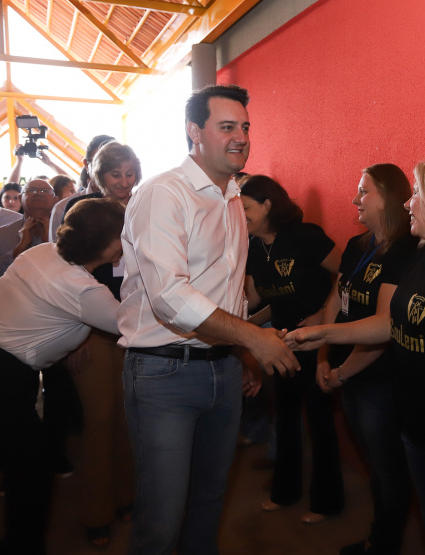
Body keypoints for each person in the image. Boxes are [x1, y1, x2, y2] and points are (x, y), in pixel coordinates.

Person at [287, 157, 425, 555]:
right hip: (415, 427)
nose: (409, 204)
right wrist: (324, 333)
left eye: (419, 194)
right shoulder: (424, 257)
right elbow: (390, 325)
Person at [117, 84, 299, 555]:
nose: (240, 136)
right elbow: (171, 299)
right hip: (163, 372)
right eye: (227, 127)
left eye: (245, 127)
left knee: (208, 502)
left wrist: (241, 354)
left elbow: (230, 289)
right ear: (194, 132)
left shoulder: (233, 198)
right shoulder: (164, 193)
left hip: (223, 368)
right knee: (161, 515)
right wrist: (254, 339)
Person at [0, 198, 126, 555]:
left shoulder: (42, 251)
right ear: (108, 244)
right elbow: (136, 328)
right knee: (31, 473)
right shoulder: (86, 291)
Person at [316, 164, 418, 554]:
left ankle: (383, 544)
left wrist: (341, 371)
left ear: (389, 197)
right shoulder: (357, 246)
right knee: (375, 463)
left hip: (378, 379)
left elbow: (383, 326)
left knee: (388, 468)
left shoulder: (406, 249)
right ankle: (379, 536)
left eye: (364, 192)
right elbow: (334, 302)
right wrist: (324, 357)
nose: (355, 199)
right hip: (347, 373)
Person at [240, 174, 345, 523]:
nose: (242, 216)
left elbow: (348, 274)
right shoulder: (254, 248)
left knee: (319, 421)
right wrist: (244, 326)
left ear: (268, 205)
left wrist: (321, 314)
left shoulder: (305, 236)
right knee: (285, 418)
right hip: (280, 344)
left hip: (316, 342)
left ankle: (326, 503)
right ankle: (284, 494)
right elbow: (261, 300)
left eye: (247, 209)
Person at [64, 141, 141, 547]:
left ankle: (126, 497)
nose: (125, 182)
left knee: (129, 418)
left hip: (133, 329)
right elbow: (62, 278)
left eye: (131, 173)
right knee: (98, 420)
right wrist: (72, 339)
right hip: (88, 332)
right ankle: (96, 513)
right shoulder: (78, 210)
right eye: (116, 174)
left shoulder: (144, 206)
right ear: (98, 175)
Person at [0, 179, 57, 290]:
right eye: (32, 190)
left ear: (55, 200)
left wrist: (50, 246)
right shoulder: (3, 233)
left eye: (44, 191)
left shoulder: (64, 232)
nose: (38, 193)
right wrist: (19, 249)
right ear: (21, 198)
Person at [48, 134, 115, 242]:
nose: (104, 169)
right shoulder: (64, 207)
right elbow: (56, 253)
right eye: (98, 161)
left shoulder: (132, 203)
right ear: (86, 165)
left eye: (111, 163)